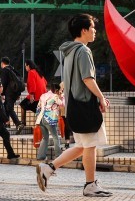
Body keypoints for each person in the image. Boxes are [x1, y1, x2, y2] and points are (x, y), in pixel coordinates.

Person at [36, 14, 112, 197]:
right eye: (92, 28)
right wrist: (101, 97)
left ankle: (48, 168)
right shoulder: (84, 51)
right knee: (90, 146)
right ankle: (90, 185)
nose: (95, 31)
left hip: (74, 107)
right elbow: (87, 79)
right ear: (84, 30)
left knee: (82, 146)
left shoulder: (69, 52)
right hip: (85, 106)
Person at [36, 82, 64, 161]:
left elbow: (38, 107)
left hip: (41, 118)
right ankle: (58, 155)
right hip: (49, 118)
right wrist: (61, 96)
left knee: (45, 138)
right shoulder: (55, 96)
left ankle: (40, 156)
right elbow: (62, 104)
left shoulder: (43, 95)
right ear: (57, 90)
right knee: (55, 136)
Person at [0, 57, 24, 129]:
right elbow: (19, 81)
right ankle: (6, 123)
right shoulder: (13, 69)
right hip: (15, 92)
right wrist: (18, 93)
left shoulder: (5, 70)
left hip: (9, 93)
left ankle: (18, 124)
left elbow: (4, 83)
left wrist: (2, 93)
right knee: (6, 106)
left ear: (2, 63)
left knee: (9, 108)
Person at [21, 60, 47, 127]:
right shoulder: (38, 72)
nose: (25, 68)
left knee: (22, 105)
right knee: (38, 110)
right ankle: (41, 124)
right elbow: (45, 82)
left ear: (28, 66)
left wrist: (32, 95)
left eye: (25, 66)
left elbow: (32, 84)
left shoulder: (31, 72)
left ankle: (22, 123)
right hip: (43, 96)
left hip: (36, 96)